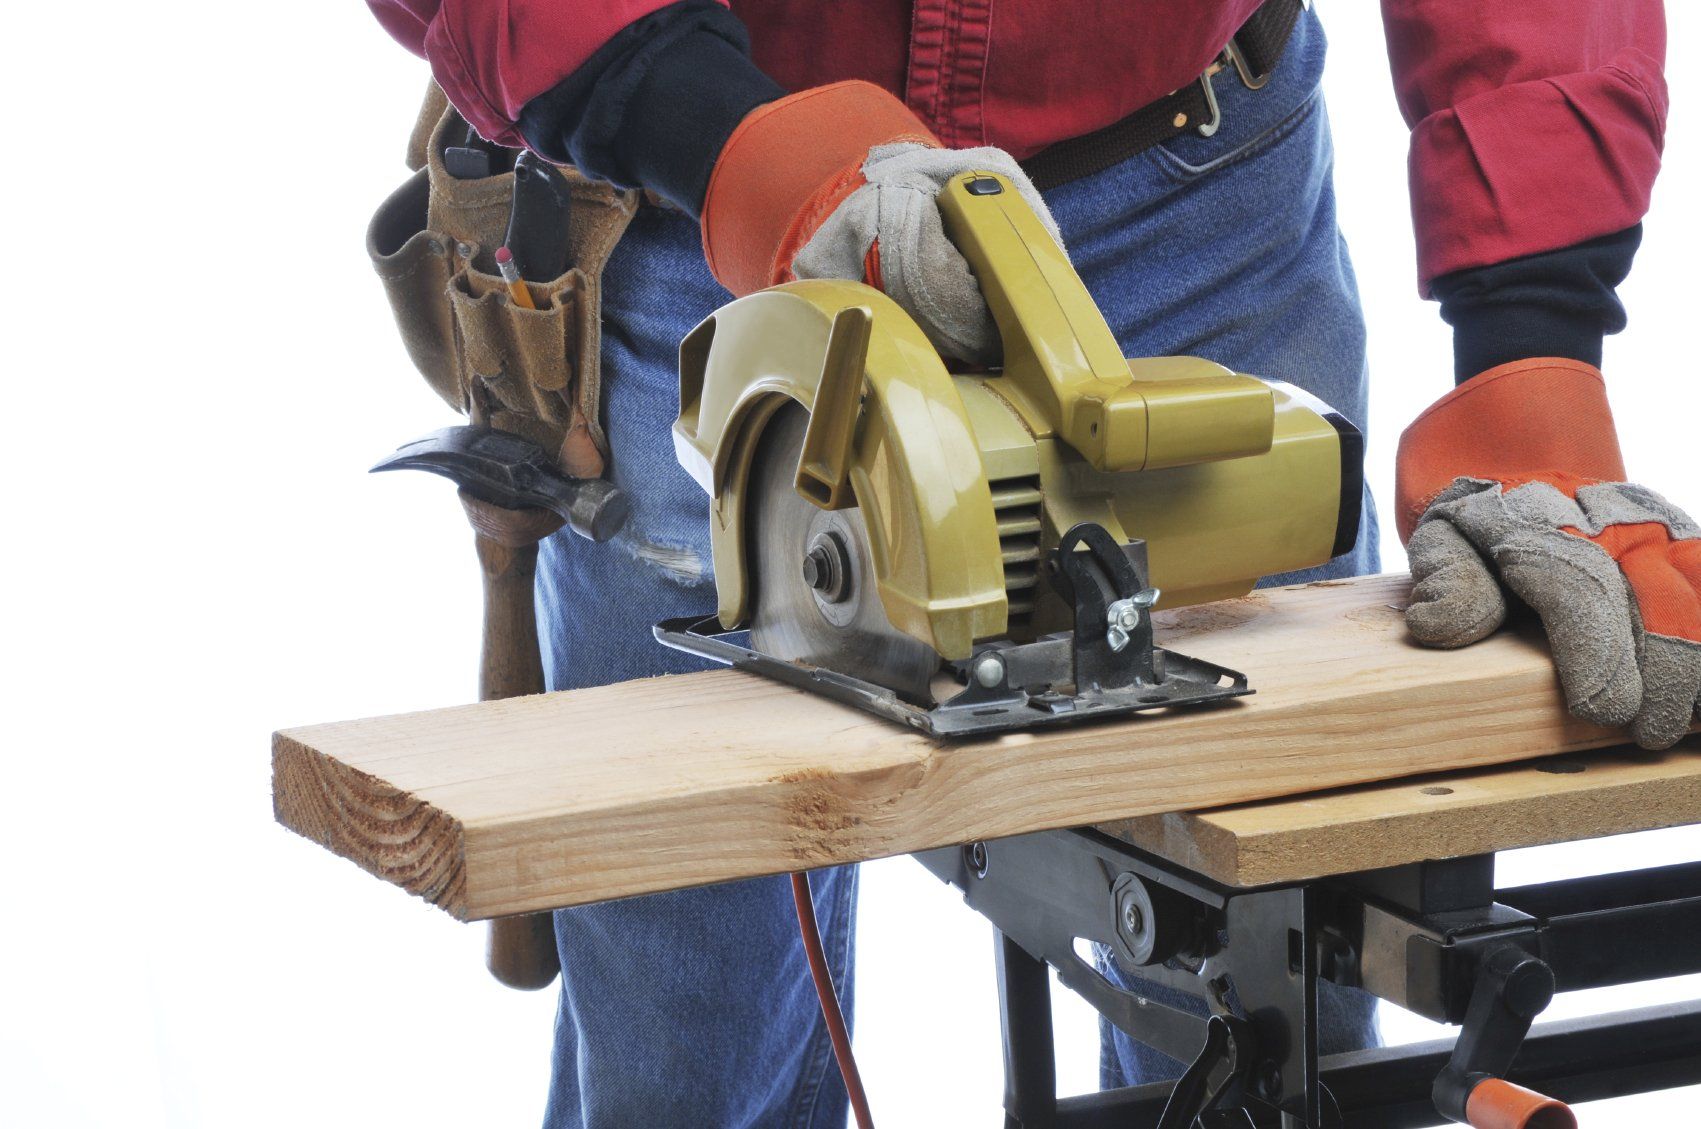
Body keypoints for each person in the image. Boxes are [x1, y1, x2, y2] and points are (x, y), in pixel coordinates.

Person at [365, 2, 1684, 1125]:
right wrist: (694, 118)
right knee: (686, 1042)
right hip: (690, 205)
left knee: (1276, 1020)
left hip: (1188, 189)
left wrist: (1531, 333)